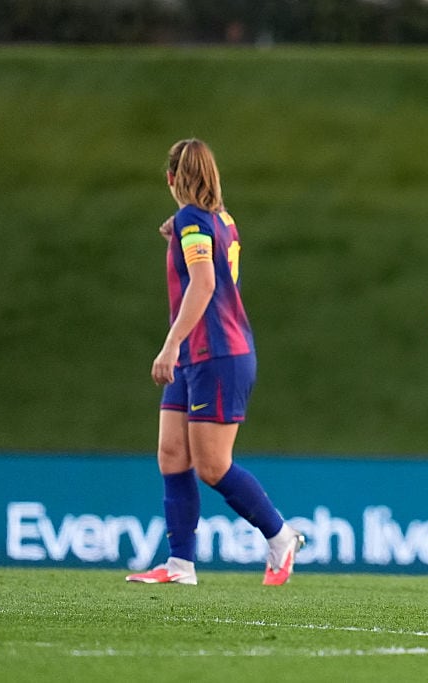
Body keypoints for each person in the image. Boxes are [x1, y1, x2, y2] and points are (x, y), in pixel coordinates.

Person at [126, 138, 304, 586]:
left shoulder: (193, 220)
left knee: (212, 465)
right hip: (198, 354)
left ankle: (281, 536)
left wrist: (170, 344)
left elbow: (204, 283)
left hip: (218, 354)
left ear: (171, 178)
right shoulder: (217, 219)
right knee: (172, 453)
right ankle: (180, 565)